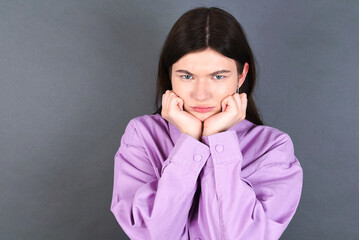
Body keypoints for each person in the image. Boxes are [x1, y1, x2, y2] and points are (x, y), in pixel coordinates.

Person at [110, 6, 303, 240]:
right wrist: (189, 142)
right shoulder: (141, 136)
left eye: (218, 76)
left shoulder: (273, 148)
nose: (201, 95)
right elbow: (156, 235)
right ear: (169, 75)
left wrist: (219, 139)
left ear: (241, 75)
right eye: (187, 76)